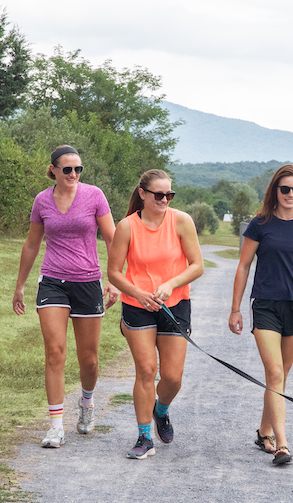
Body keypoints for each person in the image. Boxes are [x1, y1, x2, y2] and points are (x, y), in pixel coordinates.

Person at [13, 145, 118, 448]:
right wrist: (20, 285)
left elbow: (112, 238)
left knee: (89, 360)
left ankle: (86, 403)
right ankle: (56, 425)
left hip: (87, 282)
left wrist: (114, 280)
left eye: (78, 169)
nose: (74, 174)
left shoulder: (94, 196)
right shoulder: (41, 201)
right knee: (55, 352)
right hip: (53, 283)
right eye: (67, 169)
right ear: (54, 170)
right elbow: (32, 244)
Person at [228, 164, 293, 466]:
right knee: (274, 373)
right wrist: (235, 308)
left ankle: (263, 432)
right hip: (266, 305)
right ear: (275, 190)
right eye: (285, 189)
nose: (290, 194)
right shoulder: (260, 223)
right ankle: (283, 444)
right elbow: (243, 266)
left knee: (280, 377)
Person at [107, 169, 204, 459]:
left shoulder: (181, 221)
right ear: (143, 194)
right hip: (138, 306)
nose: (165, 199)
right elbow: (113, 272)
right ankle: (143, 436)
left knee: (172, 377)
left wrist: (171, 283)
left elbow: (197, 265)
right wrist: (137, 293)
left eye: (169, 194)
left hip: (174, 305)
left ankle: (160, 410)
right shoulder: (127, 226)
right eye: (159, 194)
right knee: (146, 370)